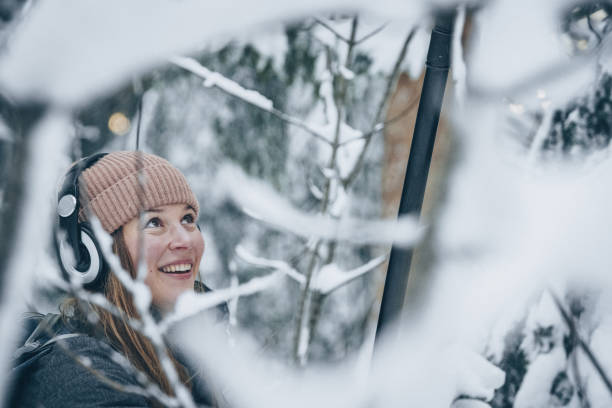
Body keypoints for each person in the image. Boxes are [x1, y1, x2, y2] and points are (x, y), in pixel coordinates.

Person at [8, 151, 221, 407]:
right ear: (90, 253)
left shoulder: (187, 349)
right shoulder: (86, 375)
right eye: (153, 222)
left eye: (187, 219)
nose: (185, 240)